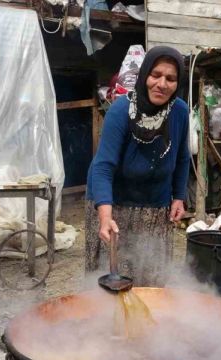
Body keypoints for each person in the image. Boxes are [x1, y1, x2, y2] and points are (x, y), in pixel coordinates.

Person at [85, 46, 190, 287]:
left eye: (171, 78)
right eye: (156, 75)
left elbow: (182, 157)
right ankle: (105, 324)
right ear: (144, 76)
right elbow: (102, 166)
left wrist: (179, 197)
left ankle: (147, 323)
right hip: (114, 202)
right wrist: (105, 216)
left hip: (155, 203)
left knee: (151, 276)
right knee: (112, 277)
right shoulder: (121, 111)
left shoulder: (180, 112)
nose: (161, 84)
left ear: (177, 83)